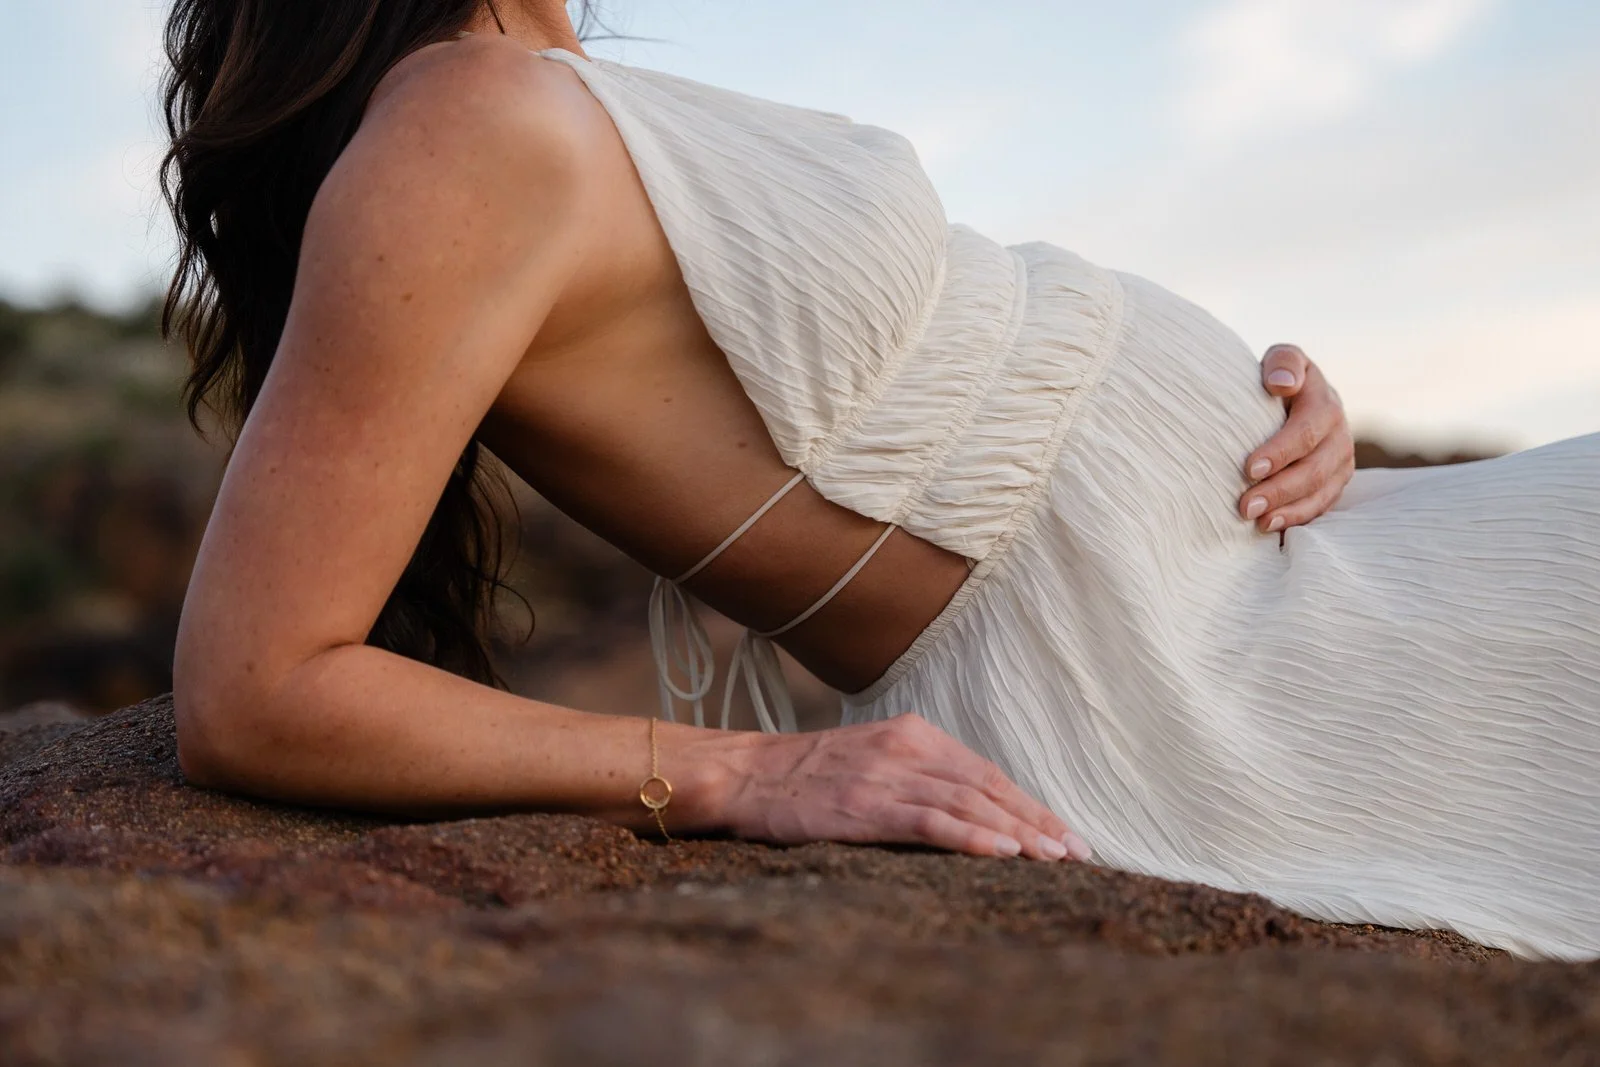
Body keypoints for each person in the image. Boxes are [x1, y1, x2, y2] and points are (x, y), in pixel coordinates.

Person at [162, 0, 1599, 958]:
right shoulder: (454, 129)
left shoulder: (529, 99)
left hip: (1290, 556)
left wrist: (1289, 422)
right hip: (1176, 671)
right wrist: (749, 770)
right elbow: (254, 684)